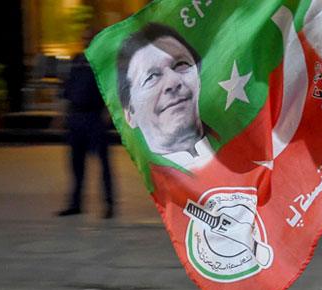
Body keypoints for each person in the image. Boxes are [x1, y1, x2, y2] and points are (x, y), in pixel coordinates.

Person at [116, 23, 212, 169]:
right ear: (130, 114)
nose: (172, 82)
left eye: (181, 65)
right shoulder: (158, 183)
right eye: (151, 77)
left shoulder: (240, 146)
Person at [58, 30, 116, 218]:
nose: (86, 42)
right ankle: (76, 204)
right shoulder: (77, 60)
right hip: (77, 118)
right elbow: (68, 87)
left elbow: (111, 89)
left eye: (89, 39)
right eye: (84, 39)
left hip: (94, 117)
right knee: (76, 165)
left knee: (103, 164)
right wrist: (63, 114)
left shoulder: (102, 62)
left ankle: (109, 204)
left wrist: (108, 112)